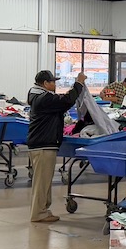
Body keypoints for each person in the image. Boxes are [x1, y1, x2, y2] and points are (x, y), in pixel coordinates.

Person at [26, 67, 86, 224]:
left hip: (42, 145)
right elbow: (66, 101)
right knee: (42, 182)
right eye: (53, 82)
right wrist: (78, 84)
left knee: (43, 181)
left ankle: (43, 210)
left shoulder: (38, 96)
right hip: (43, 146)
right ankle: (38, 213)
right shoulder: (43, 99)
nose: (55, 85)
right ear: (45, 83)